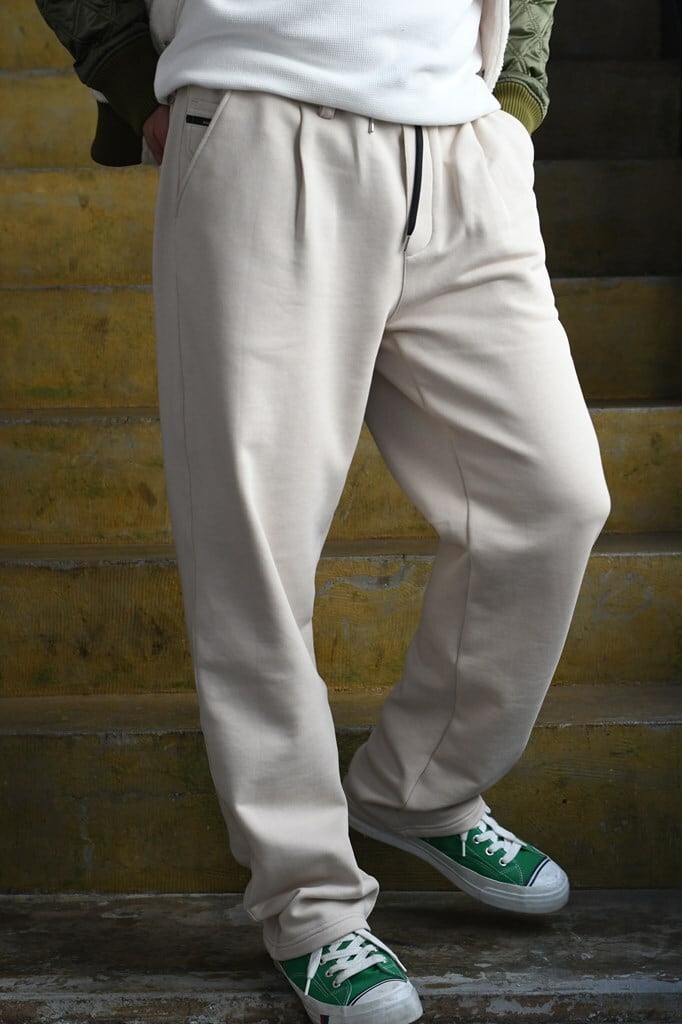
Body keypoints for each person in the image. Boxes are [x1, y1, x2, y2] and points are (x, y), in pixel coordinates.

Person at [35, 1, 611, 1021]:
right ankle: (308, 901)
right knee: (254, 550)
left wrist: (516, 93)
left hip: (462, 139)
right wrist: (127, 71)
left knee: (553, 498)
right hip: (263, 118)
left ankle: (421, 785)